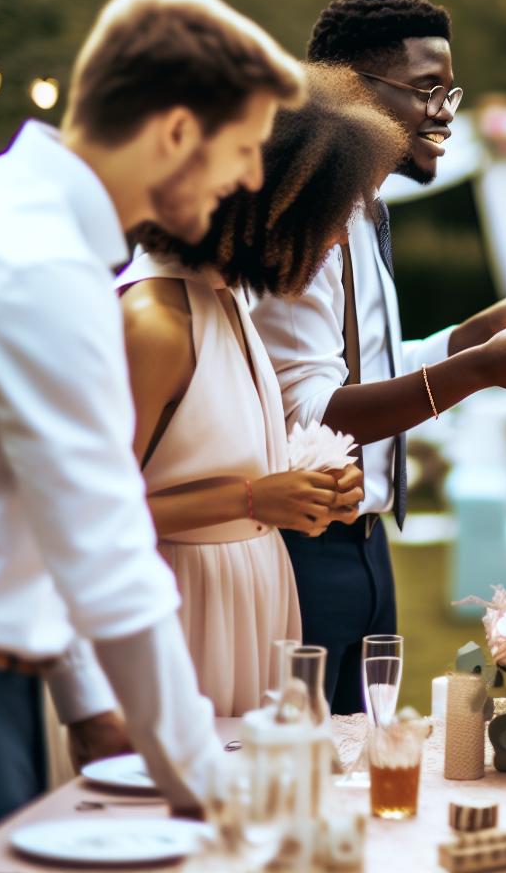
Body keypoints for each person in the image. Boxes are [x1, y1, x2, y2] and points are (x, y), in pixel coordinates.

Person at [0, 0, 302, 872]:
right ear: (173, 130)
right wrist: (207, 782)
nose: (250, 177)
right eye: (242, 147)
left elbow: (23, 508)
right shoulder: (38, 263)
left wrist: (91, 703)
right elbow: (106, 542)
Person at [250, 0, 506, 714]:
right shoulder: (304, 215)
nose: (445, 113)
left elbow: (371, 366)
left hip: (371, 548)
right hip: (301, 549)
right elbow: (315, 412)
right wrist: (475, 372)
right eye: (426, 91)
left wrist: (473, 338)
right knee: (304, 770)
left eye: (450, 91)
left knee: (367, 761)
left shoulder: (367, 211)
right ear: (347, 92)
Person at [117, 65, 389, 716]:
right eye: (328, 219)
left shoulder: (226, 300)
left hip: (250, 614)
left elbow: (202, 456)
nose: (333, 242)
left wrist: (306, 484)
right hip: (179, 623)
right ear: (272, 204)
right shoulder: (154, 322)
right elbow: (93, 520)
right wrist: (253, 497)